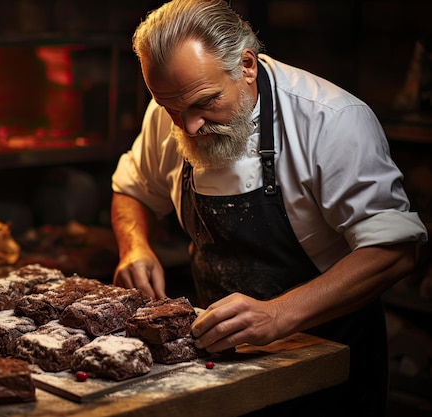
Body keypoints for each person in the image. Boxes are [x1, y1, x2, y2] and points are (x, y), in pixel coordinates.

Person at [110, 0, 429, 415]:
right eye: (173, 110)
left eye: (204, 103)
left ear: (246, 66)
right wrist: (135, 245)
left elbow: (395, 250)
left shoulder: (332, 120)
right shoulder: (172, 107)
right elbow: (133, 189)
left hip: (326, 360)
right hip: (218, 357)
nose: (188, 126)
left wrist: (279, 315)